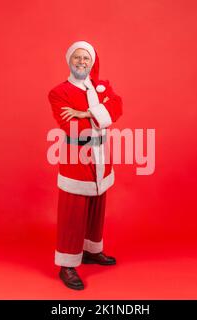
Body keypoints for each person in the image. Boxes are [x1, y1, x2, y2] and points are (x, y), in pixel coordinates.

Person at [48, 41, 123, 290]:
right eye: (77, 58)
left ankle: (91, 251)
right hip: (76, 156)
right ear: (69, 61)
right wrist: (97, 114)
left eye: (86, 58)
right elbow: (72, 127)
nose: (82, 62)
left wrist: (84, 113)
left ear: (92, 62)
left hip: (101, 154)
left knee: (96, 206)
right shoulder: (59, 92)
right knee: (73, 211)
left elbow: (118, 107)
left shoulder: (103, 86)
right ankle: (67, 264)